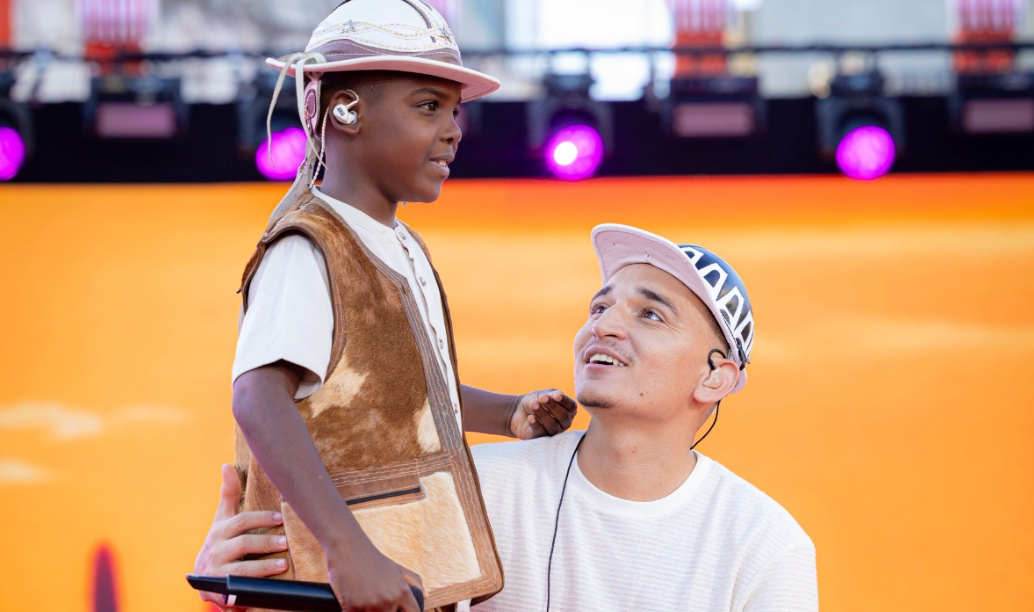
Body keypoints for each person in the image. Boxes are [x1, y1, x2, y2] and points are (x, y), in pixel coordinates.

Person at [197, 223, 818, 611]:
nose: (605, 324)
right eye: (599, 307)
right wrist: (238, 590)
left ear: (716, 377)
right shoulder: (476, 487)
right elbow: (334, 589)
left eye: (650, 314)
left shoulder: (764, 545)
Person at [220, 2, 576, 612]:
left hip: (398, 586)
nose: (454, 129)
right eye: (428, 106)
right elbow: (257, 398)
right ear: (346, 111)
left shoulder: (399, 244)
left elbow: (398, 392)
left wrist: (507, 412)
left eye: (455, 110)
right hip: (321, 590)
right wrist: (346, 549)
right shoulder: (307, 247)